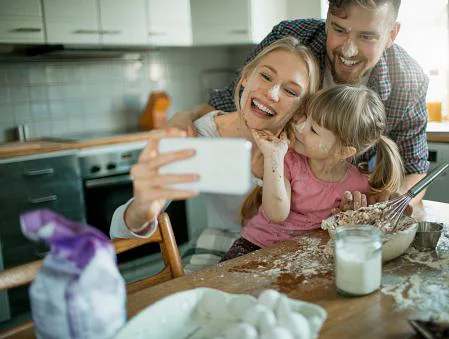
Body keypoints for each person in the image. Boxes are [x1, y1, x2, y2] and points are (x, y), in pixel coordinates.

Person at [169, 0, 429, 206]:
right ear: (327, 18)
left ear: (392, 33)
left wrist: (388, 203)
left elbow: (415, 169)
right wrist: (186, 115)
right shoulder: (293, 37)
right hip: (282, 207)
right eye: (339, 30)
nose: (348, 50)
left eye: (367, 37)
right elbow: (231, 101)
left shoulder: (408, 80)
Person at [110, 36, 321, 272]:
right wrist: (142, 207)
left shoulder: (305, 146)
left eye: (290, 91)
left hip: (283, 255)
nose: (272, 93)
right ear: (245, 76)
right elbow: (119, 233)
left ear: (302, 107)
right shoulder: (200, 136)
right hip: (218, 252)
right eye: (266, 76)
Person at [221, 84, 404, 261]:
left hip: (304, 257)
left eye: (313, 130)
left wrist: (349, 216)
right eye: (305, 118)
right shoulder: (287, 159)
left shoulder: (359, 185)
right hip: (256, 246)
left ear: (343, 152)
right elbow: (276, 214)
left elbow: (386, 214)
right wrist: (273, 158)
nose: (300, 128)